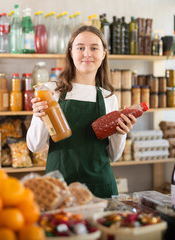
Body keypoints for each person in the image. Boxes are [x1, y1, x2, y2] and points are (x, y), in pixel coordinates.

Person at [26, 25, 138, 198]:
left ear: (103, 54)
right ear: (71, 52)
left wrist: (120, 133)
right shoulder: (50, 91)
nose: (87, 53)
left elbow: (113, 156)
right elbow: (34, 146)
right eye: (80, 48)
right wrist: (39, 116)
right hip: (59, 189)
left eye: (94, 48)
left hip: (101, 187)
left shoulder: (109, 98)